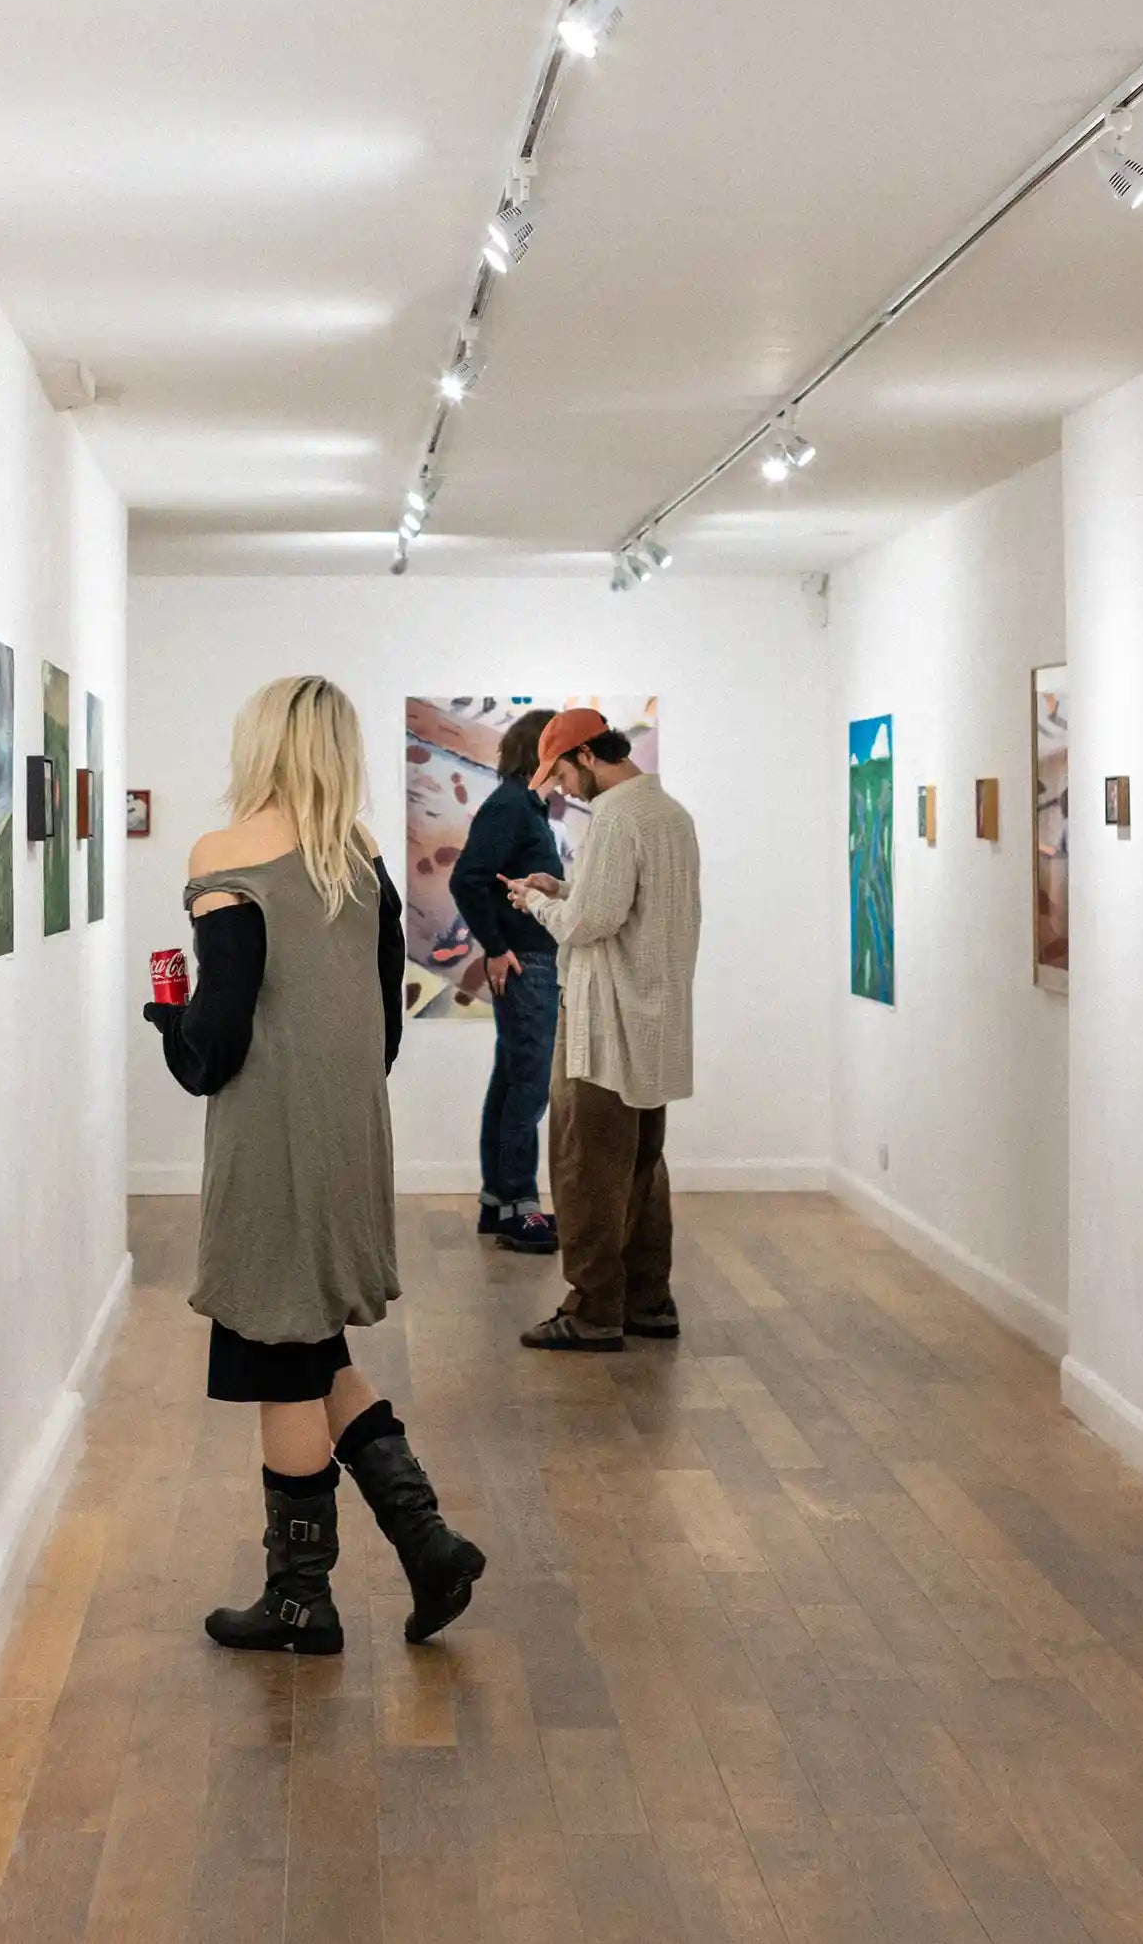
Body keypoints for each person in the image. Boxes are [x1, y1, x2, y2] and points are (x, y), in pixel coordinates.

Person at [145, 674, 486, 1654]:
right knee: (312, 1348)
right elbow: (385, 1025)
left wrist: (170, 1022)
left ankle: (301, 1601)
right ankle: (429, 1546)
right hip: (347, 1134)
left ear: (261, 742)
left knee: (281, 1368)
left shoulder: (225, 855)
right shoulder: (362, 854)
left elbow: (216, 1043)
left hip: (272, 1143)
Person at [505, 710, 702, 1353]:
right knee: (642, 1165)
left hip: (605, 1021)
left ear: (587, 756)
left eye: (561, 772)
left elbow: (588, 924)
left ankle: (592, 1311)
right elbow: (621, 906)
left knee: (586, 1167)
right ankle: (649, 1300)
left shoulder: (615, 817)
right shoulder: (670, 814)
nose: (560, 787)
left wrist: (536, 901)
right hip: (655, 1020)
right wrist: (563, 886)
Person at [447, 706, 562, 1255]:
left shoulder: (525, 807)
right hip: (527, 963)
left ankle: (499, 1201)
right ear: (545, 752)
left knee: (513, 1079)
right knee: (529, 1084)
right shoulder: (512, 806)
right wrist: (496, 947)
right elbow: (467, 879)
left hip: (532, 961)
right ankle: (520, 1205)